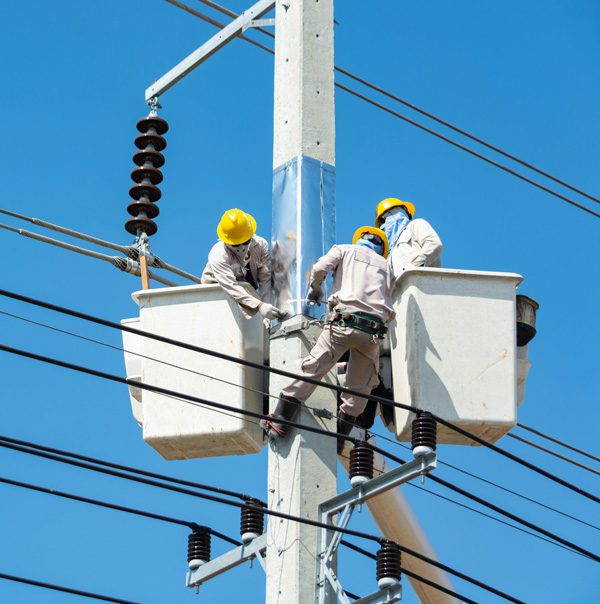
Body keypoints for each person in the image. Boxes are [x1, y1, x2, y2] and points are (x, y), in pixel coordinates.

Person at [264, 226, 394, 451]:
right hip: (372, 334)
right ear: (382, 248)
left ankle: (280, 421)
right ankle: (339, 439)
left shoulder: (344, 250)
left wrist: (316, 289)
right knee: (358, 391)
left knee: (312, 369)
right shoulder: (387, 267)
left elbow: (319, 268)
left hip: (343, 323)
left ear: (360, 239)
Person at [201, 208, 286, 321]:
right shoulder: (218, 255)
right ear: (226, 241)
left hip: (245, 293)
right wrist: (259, 306)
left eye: (246, 242)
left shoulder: (260, 245)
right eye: (235, 245)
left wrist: (267, 307)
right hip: (218, 294)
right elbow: (230, 286)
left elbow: (265, 279)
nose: (241, 248)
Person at [375, 198, 442, 277]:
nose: (382, 227)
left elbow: (433, 244)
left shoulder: (415, 225)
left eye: (383, 221)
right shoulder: (389, 254)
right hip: (405, 287)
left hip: (426, 282)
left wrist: (413, 267)